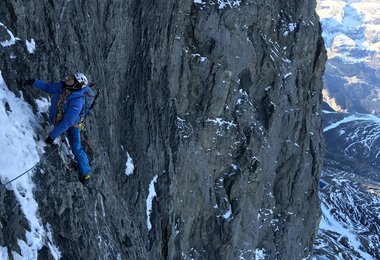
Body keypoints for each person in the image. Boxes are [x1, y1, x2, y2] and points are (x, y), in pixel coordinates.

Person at [24, 72, 92, 185]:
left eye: (71, 79)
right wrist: (34, 82)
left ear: (77, 85)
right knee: (67, 137)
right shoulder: (61, 87)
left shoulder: (77, 102)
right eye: (69, 76)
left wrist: (51, 136)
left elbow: (67, 123)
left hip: (72, 125)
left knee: (76, 147)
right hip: (57, 119)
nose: (67, 78)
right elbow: (48, 87)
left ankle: (86, 173)